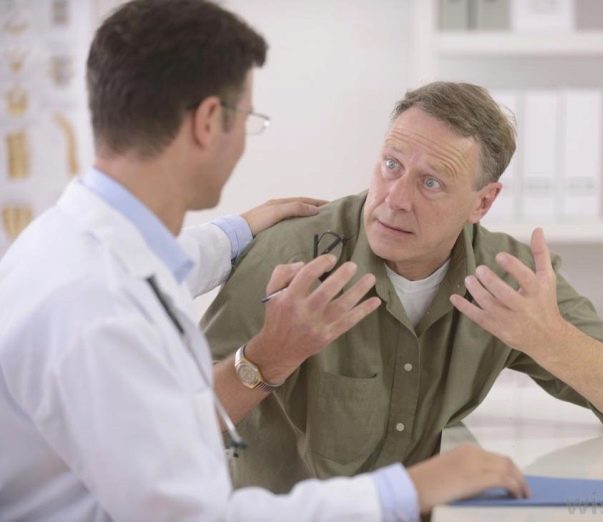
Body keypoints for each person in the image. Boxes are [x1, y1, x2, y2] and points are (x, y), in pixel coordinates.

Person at [0, 1, 531, 521]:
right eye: (248, 119)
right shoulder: (100, 308)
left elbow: (165, 271)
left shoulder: (62, 244)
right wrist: (406, 490)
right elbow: (193, 514)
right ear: (210, 121)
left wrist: (238, 231)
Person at [203, 81, 603, 493]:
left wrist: (548, 339)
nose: (395, 199)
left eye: (430, 183)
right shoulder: (289, 257)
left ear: (483, 203)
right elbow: (178, 422)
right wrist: (269, 356)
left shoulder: (508, 278)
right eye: (391, 165)